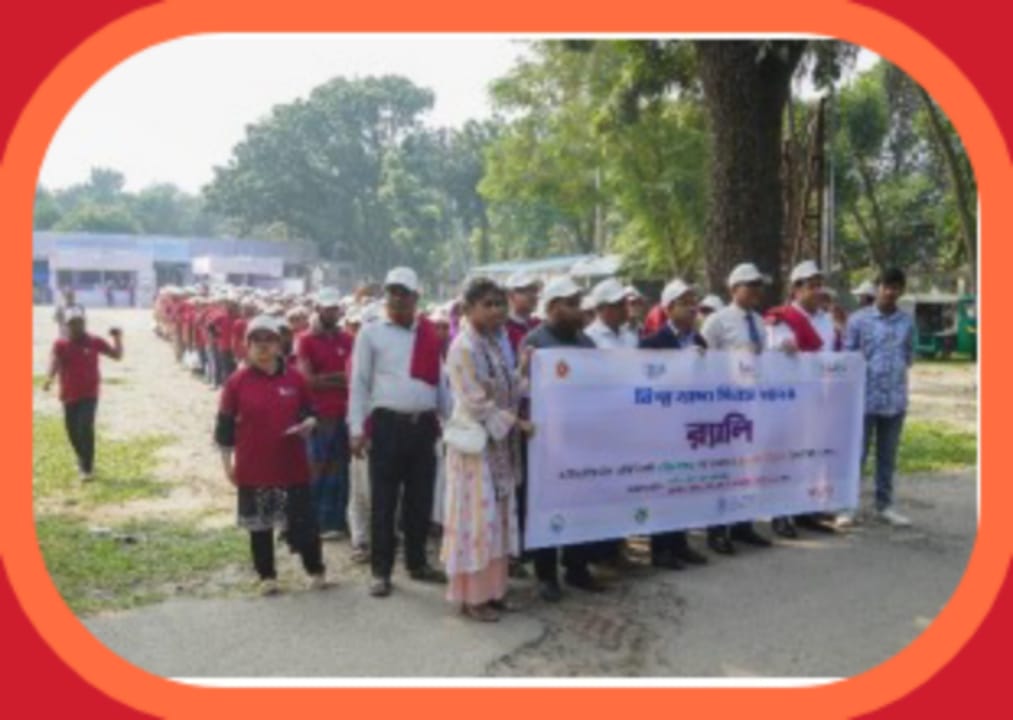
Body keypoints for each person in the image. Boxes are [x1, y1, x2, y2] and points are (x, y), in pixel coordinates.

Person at [349, 267, 447, 597]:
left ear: (416, 297)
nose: (397, 298)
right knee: (384, 502)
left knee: (420, 499)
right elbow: (359, 383)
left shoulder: (429, 333)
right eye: (392, 291)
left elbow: (440, 382)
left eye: (404, 293)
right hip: (387, 426)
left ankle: (417, 563)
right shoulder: (371, 332)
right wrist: (355, 428)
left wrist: (451, 422)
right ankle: (381, 571)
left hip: (424, 426)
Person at [441, 278, 535, 622]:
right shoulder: (463, 347)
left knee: (498, 520)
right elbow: (475, 402)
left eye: (499, 304)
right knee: (477, 521)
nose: (496, 311)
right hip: (475, 449)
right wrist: (516, 423)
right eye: (488, 304)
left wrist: (522, 369)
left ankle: (495, 591)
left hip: (499, 445)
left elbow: (508, 388)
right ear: (468, 309)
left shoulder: (495, 342)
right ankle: (473, 597)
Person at [215, 315, 327, 596]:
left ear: (279, 344)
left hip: (291, 466)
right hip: (254, 467)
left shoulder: (295, 378)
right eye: (257, 340)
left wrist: (309, 423)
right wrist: (227, 465)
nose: (263, 346)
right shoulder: (236, 382)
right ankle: (267, 576)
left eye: (269, 340)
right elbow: (224, 426)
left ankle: (315, 569)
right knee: (260, 525)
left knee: (303, 523)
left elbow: (311, 412)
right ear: (247, 345)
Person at [522, 275, 606, 601]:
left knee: (580, 502)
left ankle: (577, 567)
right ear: (553, 306)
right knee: (547, 504)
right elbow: (524, 391)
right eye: (571, 304)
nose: (577, 310)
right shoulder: (535, 341)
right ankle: (546, 574)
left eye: (578, 303)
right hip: (547, 440)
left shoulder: (586, 343)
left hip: (581, 437)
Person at [700, 262, 774, 554]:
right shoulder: (717, 321)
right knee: (723, 468)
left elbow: (763, 360)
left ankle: (743, 523)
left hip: (752, 402)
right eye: (750, 285)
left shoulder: (759, 322)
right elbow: (702, 360)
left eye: (758, 286)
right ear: (733, 288)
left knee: (748, 465)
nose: (756, 291)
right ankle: (717, 529)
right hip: (724, 405)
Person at [639, 278, 711, 569]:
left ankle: (680, 543)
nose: (692, 308)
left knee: (685, 485)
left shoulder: (700, 342)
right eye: (685, 303)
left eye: (694, 302)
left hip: (691, 425)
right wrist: (681, 362)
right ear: (668, 308)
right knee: (663, 487)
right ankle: (661, 549)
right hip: (662, 425)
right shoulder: (652, 343)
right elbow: (647, 383)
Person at [765, 260, 839, 538]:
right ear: (796, 289)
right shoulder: (782, 319)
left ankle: (806, 509)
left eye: (819, 285)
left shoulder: (826, 320)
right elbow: (771, 354)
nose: (817, 291)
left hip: (818, 396)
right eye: (811, 286)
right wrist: (783, 347)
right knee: (786, 456)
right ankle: (780, 512)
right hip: (788, 400)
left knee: (812, 454)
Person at [838, 269, 916, 528]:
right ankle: (848, 506)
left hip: (895, 400)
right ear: (877, 287)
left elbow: (909, 356)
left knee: (887, 456)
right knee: (857, 454)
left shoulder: (907, 322)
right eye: (886, 286)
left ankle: (885, 506)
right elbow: (848, 357)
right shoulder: (858, 320)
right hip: (864, 399)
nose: (891, 291)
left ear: (902, 290)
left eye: (896, 287)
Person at [298, 288, 355, 540]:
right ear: (318, 309)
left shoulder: (348, 339)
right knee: (319, 467)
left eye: (335, 308)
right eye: (327, 308)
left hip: (346, 412)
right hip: (320, 414)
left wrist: (326, 378)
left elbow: (354, 376)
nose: (332, 312)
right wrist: (340, 378)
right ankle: (316, 521)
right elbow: (308, 380)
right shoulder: (306, 340)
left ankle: (337, 521)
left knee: (341, 468)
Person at [42, 308, 124, 481]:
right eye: (72, 324)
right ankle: (81, 457)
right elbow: (54, 361)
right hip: (68, 394)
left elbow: (117, 356)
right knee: (72, 430)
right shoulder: (60, 344)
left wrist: (117, 339)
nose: (76, 327)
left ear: (84, 323)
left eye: (79, 323)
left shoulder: (94, 341)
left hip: (89, 393)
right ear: (66, 326)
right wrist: (49, 378)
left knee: (85, 427)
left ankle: (87, 467)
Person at [584, 278, 639, 349]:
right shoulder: (589, 339)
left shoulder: (631, 336)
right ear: (600, 308)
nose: (624, 308)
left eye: (624, 303)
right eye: (618, 305)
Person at [504, 272, 541, 355]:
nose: (531, 295)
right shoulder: (503, 329)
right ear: (510, 296)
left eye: (534, 291)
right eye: (524, 291)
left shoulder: (539, 324)